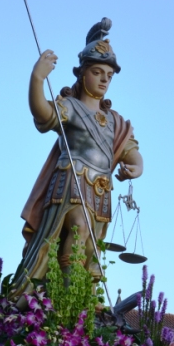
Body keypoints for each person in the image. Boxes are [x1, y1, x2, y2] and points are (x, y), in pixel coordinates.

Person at [20, 18, 144, 283]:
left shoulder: (114, 120)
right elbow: (43, 115)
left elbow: (129, 148)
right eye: (98, 73)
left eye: (109, 76)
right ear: (82, 73)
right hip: (72, 180)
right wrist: (37, 79)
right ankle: (65, 292)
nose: (104, 80)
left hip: (101, 187)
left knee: (89, 245)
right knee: (77, 229)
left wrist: (136, 166)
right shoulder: (70, 107)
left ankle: (82, 298)